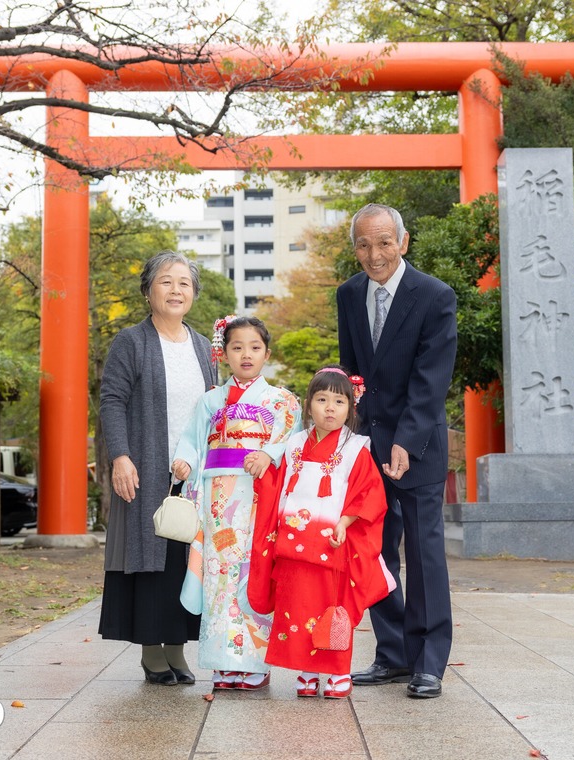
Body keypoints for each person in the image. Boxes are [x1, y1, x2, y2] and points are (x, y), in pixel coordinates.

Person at [336, 203, 457, 699]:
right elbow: (351, 373)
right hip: (368, 446)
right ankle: (392, 654)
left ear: (403, 242)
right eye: (364, 244)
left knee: (425, 554)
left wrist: (406, 439)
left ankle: (428, 661)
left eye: (385, 242)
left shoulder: (434, 296)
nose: (375, 254)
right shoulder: (348, 294)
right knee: (374, 550)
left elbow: (431, 380)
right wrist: (346, 435)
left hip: (419, 444)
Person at [98, 251, 216, 686]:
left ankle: (177, 650)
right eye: (166, 281)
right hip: (146, 467)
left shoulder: (204, 347)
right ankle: (152, 653)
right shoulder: (131, 341)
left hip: (194, 472)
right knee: (152, 559)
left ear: (193, 293)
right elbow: (112, 400)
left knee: (187, 562)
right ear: (148, 291)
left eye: (184, 283)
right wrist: (120, 456)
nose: (175, 290)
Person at [247, 366, 395, 699]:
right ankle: (308, 671)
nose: (330, 408)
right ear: (308, 404)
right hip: (294, 543)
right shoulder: (295, 444)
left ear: (350, 408)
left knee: (332, 610)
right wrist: (262, 472)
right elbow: (278, 486)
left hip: (332, 543)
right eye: (322, 399)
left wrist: (345, 523)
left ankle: (338, 671)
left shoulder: (356, 448)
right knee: (297, 608)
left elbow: (368, 492)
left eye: (339, 402)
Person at [171, 316, 301, 690]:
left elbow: (292, 442)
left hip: (259, 496)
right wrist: (185, 462)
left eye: (255, 347)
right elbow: (193, 441)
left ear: (267, 354)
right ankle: (223, 663)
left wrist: (270, 454)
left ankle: (255, 664)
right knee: (218, 575)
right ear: (224, 353)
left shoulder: (283, 400)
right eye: (237, 347)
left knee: (253, 572)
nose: (246, 354)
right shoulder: (210, 400)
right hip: (218, 498)